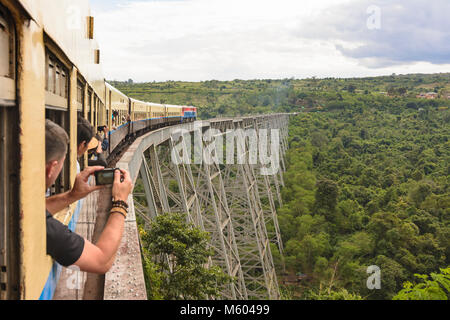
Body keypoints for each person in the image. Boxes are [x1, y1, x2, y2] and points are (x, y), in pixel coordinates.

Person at [45, 119, 133, 273]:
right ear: (51, 168)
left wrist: (72, 196)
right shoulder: (46, 228)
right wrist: (120, 201)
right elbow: (101, 261)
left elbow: (40, 208)